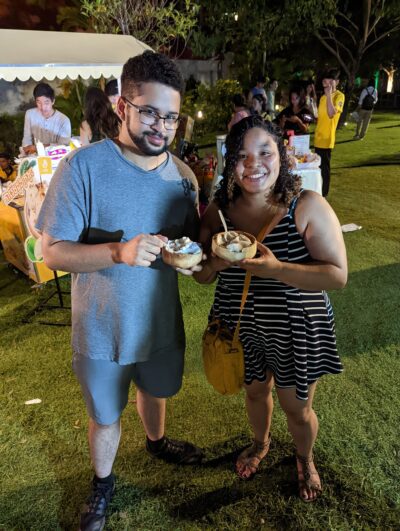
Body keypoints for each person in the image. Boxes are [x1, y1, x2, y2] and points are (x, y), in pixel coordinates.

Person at [37, 51, 204, 531]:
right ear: (122, 106)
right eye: (150, 112)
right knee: (106, 416)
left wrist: (196, 261)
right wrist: (118, 252)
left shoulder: (184, 179)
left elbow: (187, 249)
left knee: (156, 391)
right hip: (101, 331)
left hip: (159, 325)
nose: (162, 127)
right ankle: (103, 483)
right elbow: (52, 253)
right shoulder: (83, 168)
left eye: (171, 117)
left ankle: (156, 442)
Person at [195, 115, 347, 502]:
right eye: (243, 156)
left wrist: (276, 268)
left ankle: (304, 457)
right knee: (254, 391)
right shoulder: (220, 212)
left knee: (296, 408)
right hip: (240, 320)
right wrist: (216, 262)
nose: (254, 164)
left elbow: (336, 275)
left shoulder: (307, 206)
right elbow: (202, 275)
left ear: (282, 155)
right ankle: (260, 443)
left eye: (265, 152)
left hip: (295, 323)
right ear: (231, 162)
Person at [314, 69, 345, 197]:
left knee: (324, 169)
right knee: (317, 168)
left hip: (327, 139)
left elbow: (331, 113)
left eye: (328, 78)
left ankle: (324, 195)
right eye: (324, 78)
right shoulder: (322, 97)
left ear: (336, 82)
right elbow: (320, 117)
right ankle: (318, 192)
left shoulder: (339, 96)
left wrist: (328, 96)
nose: (324, 81)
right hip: (318, 137)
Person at [21, 82, 71, 155]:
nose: (43, 107)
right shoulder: (30, 114)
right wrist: (25, 153)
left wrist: (37, 148)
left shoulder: (64, 120)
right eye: (39, 102)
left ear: (53, 101)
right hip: (36, 158)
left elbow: (63, 147)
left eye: (46, 103)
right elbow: (26, 139)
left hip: (57, 159)